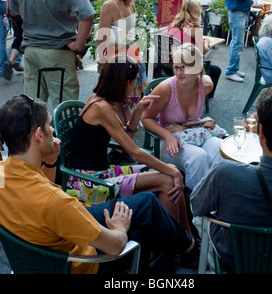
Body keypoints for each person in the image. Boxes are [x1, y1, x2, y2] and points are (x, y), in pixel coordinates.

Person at [0, 95, 200, 275]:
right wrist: (120, 228)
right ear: (38, 135)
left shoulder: (3, 173)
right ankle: (189, 249)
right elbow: (114, 246)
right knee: (143, 215)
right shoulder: (56, 201)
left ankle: (185, 247)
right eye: (49, 125)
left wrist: (52, 161)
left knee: (145, 206)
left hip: (43, 247)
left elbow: (42, 187)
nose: (53, 130)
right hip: (81, 263)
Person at [68, 55, 194, 238]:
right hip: (89, 183)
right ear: (124, 82)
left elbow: (125, 139)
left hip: (98, 173)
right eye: (134, 82)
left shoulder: (99, 99)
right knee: (169, 178)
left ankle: (186, 237)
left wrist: (138, 112)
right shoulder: (102, 108)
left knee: (171, 172)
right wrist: (172, 171)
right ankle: (177, 245)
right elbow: (134, 152)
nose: (136, 87)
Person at [191, 85, 272, 272]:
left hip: (235, 263)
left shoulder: (225, 173)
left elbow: (196, 205)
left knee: (201, 219)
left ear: (261, 132)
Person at [8, 0, 94, 109]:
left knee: (33, 108)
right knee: (65, 109)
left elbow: (14, 11)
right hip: (58, 52)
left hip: (31, 51)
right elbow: (87, 15)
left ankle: (36, 137)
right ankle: (63, 138)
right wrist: (79, 46)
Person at [142, 43, 224, 191]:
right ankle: (198, 208)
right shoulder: (166, 88)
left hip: (196, 133)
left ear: (198, 67)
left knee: (220, 149)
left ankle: (219, 199)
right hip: (170, 140)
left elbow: (207, 79)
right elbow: (146, 118)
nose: (179, 72)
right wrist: (167, 135)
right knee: (198, 157)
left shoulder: (204, 86)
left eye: (185, 67)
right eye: (176, 67)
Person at [95, 0, 147, 101]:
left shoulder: (109, 5)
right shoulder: (130, 0)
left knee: (114, 101)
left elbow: (102, 37)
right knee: (127, 102)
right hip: (132, 54)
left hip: (116, 59)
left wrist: (100, 61)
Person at [166, 0, 222, 98]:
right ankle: (204, 97)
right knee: (216, 70)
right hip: (187, 68)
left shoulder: (173, 24)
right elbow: (202, 52)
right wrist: (206, 42)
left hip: (169, 66)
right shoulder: (195, 27)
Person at [224, 0, 253, 82]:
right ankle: (231, 71)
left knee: (237, 43)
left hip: (241, 13)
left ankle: (234, 68)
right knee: (237, 43)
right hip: (237, 13)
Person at [3, 0, 31, 81]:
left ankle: (11, 60)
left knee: (18, 38)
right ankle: (29, 69)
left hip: (15, 14)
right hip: (27, 14)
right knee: (28, 40)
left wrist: (8, 13)